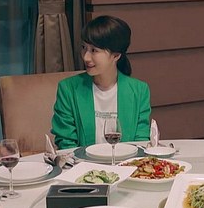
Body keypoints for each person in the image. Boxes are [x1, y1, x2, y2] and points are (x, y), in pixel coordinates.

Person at [52, 15, 151, 149]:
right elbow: (66, 144)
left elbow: (141, 142)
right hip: (81, 162)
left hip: (127, 161)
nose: (86, 57)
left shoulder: (139, 91)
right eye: (84, 47)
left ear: (116, 56)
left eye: (94, 50)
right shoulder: (68, 89)